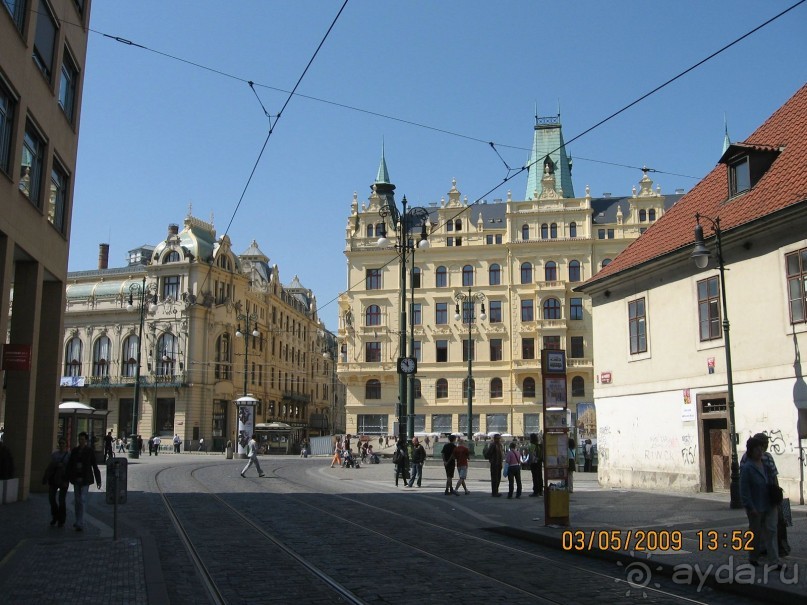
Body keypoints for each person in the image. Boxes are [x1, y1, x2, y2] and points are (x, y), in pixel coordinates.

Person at [740, 432, 791, 557]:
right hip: (760, 499)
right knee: (765, 528)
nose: (766, 446)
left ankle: (768, 554)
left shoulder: (746, 458)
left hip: (762, 499)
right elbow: (773, 477)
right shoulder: (764, 458)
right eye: (763, 443)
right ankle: (763, 552)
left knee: (764, 528)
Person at [66, 431, 102, 532]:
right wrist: (67, 477)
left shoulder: (89, 451)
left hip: (85, 479)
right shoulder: (75, 451)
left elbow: (94, 466)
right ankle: (77, 520)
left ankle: (80, 522)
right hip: (76, 479)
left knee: (82, 500)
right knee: (77, 501)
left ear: (86, 440)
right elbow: (70, 465)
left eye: (82, 439)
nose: (81, 441)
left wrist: (98, 480)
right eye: (80, 439)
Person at [42, 437, 70, 527]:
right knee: (51, 499)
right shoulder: (54, 455)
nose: (61, 445)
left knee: (61, 500)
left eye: (63, 443)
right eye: (60, 443)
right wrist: (45, 477)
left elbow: (70, 468)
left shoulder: (69, 456)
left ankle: (61, 519)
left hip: (63, 479)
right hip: (54, 479)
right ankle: (55, 516)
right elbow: (50, 468)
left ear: (66, 445)